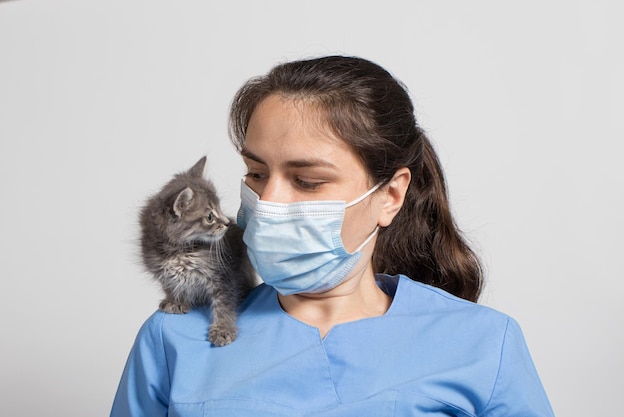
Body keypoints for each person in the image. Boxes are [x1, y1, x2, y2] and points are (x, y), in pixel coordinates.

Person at [110, 56, 554, 416]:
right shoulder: (175, 338)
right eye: (257, 173)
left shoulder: (482, 344)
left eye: (307, 182)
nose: (269, 203)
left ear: (390, 196)